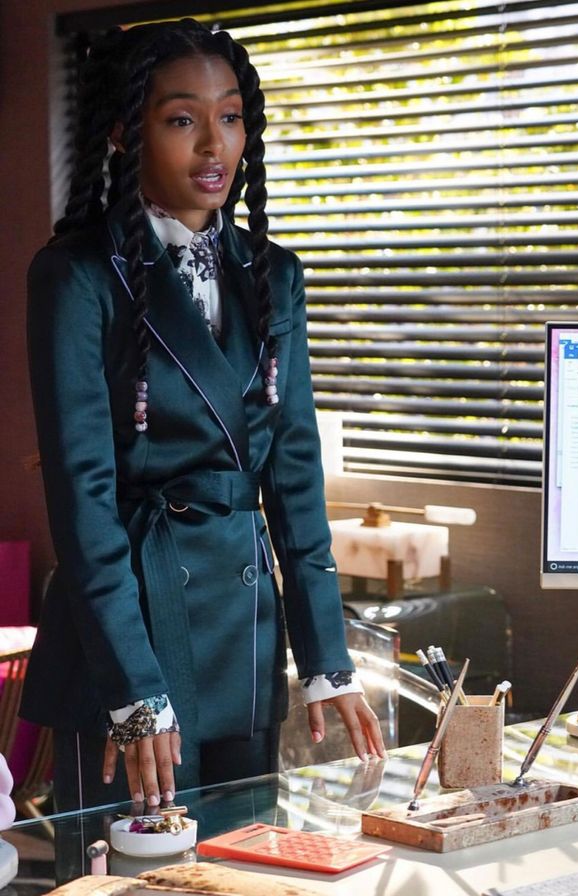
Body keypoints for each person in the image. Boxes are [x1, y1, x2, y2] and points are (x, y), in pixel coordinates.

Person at [20, 18, 385, 813]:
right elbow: (83, 500)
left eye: (230, 117)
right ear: (125, 132)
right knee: (135, 877)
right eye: (182, 120)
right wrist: (136, 690)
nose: (214, 146)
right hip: (131, 633)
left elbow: (292, 477)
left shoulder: (273, 275)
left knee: (246, 864)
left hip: (244, 632)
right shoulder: (76, 276)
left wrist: (327, 658)